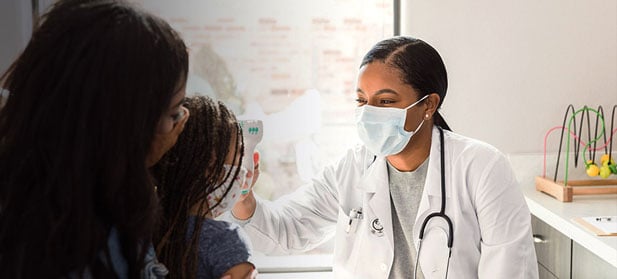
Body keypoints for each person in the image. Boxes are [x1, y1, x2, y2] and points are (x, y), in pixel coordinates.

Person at [228, 36, 539, 278]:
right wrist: (244, 198)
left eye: (386, 101)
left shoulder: (481, 168)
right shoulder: (352, 168)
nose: (369, 114)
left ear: (428, 105)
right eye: (362, 100)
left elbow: (510, 271)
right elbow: (287, 231)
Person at [0, 0, 189, 277]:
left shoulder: (22, 195)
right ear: (125, 126)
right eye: (173, 114)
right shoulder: (98, 242)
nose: (176, 128)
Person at [153, 96, 256, 279]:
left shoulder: (146, 231)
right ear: (211, 167)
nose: (244, 171)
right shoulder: (226, 241)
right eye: (239, 153)